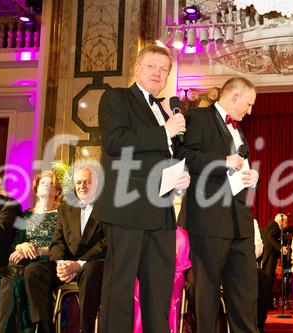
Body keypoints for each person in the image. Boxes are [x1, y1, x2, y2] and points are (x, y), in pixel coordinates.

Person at [92, 45, 190, 333]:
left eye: (164, 69)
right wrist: (165, 132)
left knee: (159, 291)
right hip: (127, 207)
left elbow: (161, 158)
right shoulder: (116, 98)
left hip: (161, 213)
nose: (158, 73)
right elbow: (115, 142)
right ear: (137, 68)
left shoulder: (163, 111)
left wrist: (179, 178)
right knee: (119, 288)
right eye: (152, 66)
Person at [179, 76, 260, 333]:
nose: (250, 111)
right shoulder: (198, 118)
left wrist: (252, 177)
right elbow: (184, 156)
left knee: (245, 294)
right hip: (207, 221)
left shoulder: (238, 129)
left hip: (240, 224)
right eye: (247, 104)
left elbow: (238, 169)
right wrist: (222, 161)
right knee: (206, 294)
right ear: (234, 97)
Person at [24, 165, 106, 333]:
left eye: (87, 182)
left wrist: (79, 264)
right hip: (66, 264)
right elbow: (57, 242)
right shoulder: (65, 209)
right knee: (34, 271)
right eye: (78, 182)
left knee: (91, 271)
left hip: (92, 263)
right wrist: (62, 264)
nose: (82, 186)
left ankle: (85, 328)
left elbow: (108, 242)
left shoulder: (107, 208)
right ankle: (45, 327)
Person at [0, 171, 61, 333]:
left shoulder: (61, 215)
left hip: (46, 263)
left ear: (57, 191)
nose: (45, 186)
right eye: (42, 183)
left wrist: (36, 250)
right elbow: (15, 243)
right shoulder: (25, 215)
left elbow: (62, 246)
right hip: (22, 262)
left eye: (50, 184)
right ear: (35, 189)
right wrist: (22, 246)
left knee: (17, 282)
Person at [133, 225, 192, 333]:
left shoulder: (180, 234)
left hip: (173, 274)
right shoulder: (142, 230)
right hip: (145, 270)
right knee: (140, 282)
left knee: (168, 282)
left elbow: (180, 263)